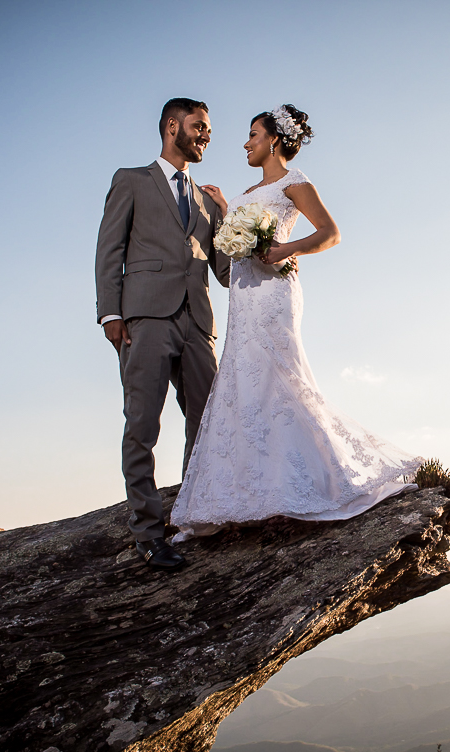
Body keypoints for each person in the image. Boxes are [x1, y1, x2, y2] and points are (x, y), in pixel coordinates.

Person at [170, 105, 422, 536]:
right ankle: (244, 492)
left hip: (274, 294)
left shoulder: (296, 182)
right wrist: (228, 209)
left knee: (280, 379)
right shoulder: (250, 189)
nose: (246, 143)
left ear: (273, 140)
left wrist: (287, 250)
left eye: (252, 134)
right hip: (244, 298)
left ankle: (315, 481)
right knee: (243, 383)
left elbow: (330, 232)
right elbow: (245, 238)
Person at [94, 98, 229, 570]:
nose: (207, 135)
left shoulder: (208, 200)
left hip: (197, 321)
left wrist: (228, 221)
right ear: (172, 126)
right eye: (200, 126)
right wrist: (111, 314)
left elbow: (226, 272)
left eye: (208, 129)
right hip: (145, 319)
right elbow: (109, 249)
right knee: (142, 425)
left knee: (208, 419)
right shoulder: (130, 180)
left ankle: (195, 512)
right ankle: (148, 533)